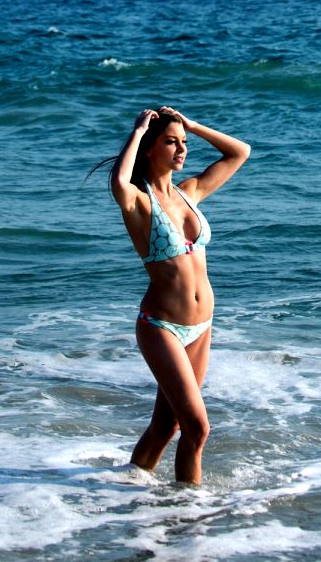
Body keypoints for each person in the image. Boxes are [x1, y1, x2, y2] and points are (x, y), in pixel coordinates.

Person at [108, 105, 250, 484]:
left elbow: (240, 152)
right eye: (172, 143)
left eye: (183, 143)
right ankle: (191, 516)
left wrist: (192, 125)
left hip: (201, 327)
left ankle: (129, 486)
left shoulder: (191, 193)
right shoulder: (139, 203)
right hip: (162, 327)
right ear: (151, 149)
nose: (182, 149)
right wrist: (138, 131)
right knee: (197, 429)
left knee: (165, 427)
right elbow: (119, 182)